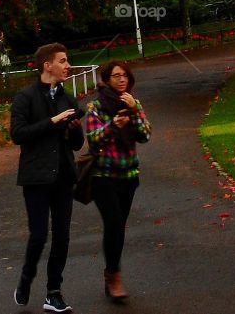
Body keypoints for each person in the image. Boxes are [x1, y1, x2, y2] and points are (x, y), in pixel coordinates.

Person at [10, 43, 84, 313]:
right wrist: (53, 122)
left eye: (68, 61)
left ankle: (54, 292)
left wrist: (74, 128)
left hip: (63, 177)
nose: (68, 66)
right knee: (39, 235)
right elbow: (18, 134)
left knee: (62, 236)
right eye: (63, 61)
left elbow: (76, 145)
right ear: (47, 66)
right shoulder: (25, 97)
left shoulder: (68, 99)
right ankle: (26, 279)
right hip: (36, 178)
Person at [84, 60, 152, 304]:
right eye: (116, 76)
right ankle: (114, 276)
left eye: (124, 75)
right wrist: (112, 125)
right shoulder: (97, 106)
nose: (122, 80)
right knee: (112, 222)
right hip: (104, 176)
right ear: (107, 80)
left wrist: (134, 113)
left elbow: (145, 135)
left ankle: (110, 272)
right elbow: (93, 139)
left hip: (128, 175)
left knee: (118, 227)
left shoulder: (133, 103)